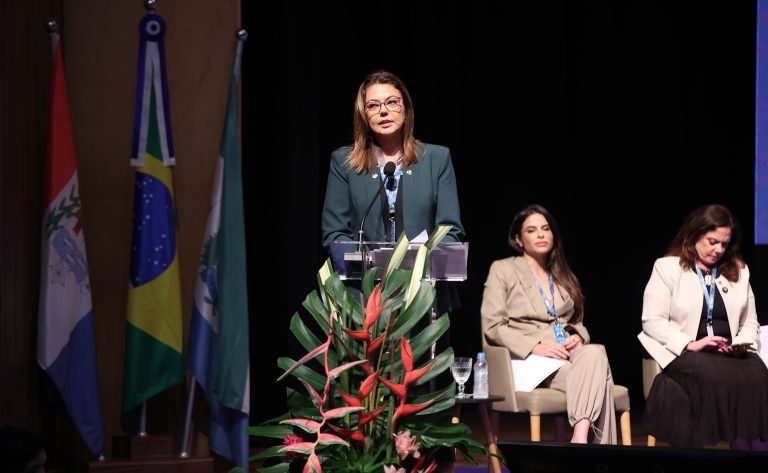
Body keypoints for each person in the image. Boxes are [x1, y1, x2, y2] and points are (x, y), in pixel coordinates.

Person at [481, 204, 617, 444]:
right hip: (527, 361)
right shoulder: (503, 269)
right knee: (602, 381)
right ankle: (595, 455)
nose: (541, 234)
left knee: (595, 352)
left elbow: (577, 321)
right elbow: (493, 325)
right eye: (532, 230)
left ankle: (580, 436)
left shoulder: (563, 274)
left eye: (545, 229)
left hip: (565, 356)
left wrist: (576, 335)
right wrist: (535, 346)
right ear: (518, 239)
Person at [638, 204, 768, 449]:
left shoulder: (739, 271)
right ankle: (710, 448)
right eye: (712, 241)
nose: (718, 250)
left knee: (757, 373)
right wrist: (690, 343)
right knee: (711, 373)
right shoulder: (667, 268)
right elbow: (652, 320)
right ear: (694, 235)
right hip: (688, 351)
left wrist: (742, 342)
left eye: (724, 244)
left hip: (729, 352)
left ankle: (749, 449)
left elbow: (750, 320)